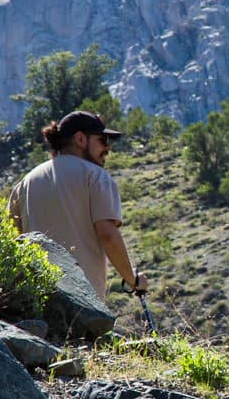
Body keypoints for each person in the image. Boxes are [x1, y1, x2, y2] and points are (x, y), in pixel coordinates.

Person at [8, 109, 146, 301]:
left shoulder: (25, 184)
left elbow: (14, 240)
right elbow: (108, 235)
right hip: (82, 302)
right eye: (102, 140)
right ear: (80, 139)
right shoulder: (96, 176)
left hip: (35, 299)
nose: (108, 148)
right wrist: (132, 280)